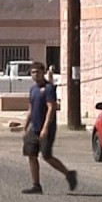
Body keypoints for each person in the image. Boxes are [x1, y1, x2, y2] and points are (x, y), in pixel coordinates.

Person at [22, 61, 77, 194]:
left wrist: (45, 128)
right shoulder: (33, 89)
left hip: (46, 129)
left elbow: (51, 108)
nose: (36, 75)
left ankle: (68, 174)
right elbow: (30, 109)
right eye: (33, 72)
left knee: (47, 156)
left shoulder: (48, 88)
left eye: (38, 72)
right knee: (31, 155)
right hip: (33, 129)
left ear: (43, 73)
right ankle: (36, 185)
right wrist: (25, 127)